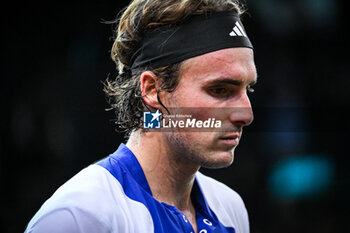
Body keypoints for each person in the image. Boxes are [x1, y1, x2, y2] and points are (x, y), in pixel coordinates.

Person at [25, 0, 257, 232]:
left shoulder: (230, 208)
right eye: (219, 90)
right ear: (152, 90)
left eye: (248, 89)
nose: (246, 114)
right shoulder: (79, 216)